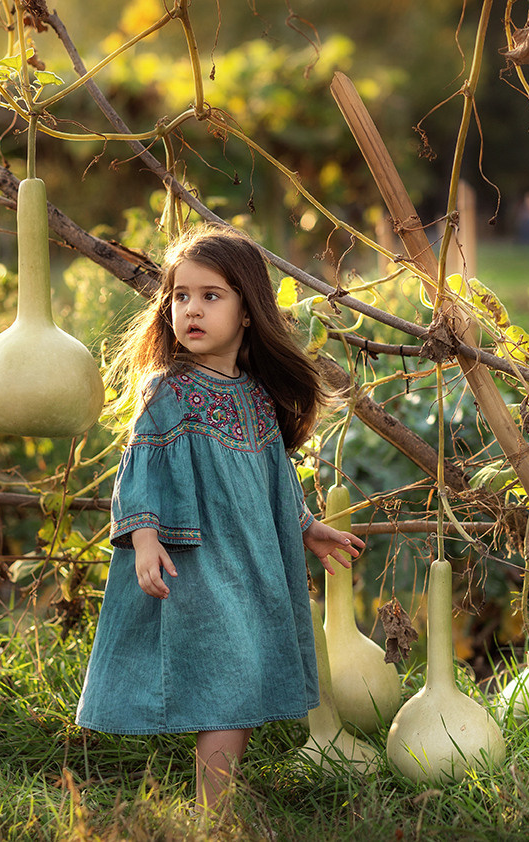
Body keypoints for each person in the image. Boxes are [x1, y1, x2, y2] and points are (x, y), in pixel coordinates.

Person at [75, 225, 364, 817]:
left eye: (212, 296)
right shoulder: (167, 390)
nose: (192, 309)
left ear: (248, 311)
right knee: (229, 678)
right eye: (181, 296)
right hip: (200, 562)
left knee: (245, 673)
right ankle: (215, 818)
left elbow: (273, 474)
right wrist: (146, 540)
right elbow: (142, 468)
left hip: (254, 557)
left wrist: (306, 526)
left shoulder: (256, 394)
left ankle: (218, 806)